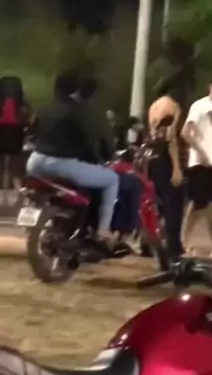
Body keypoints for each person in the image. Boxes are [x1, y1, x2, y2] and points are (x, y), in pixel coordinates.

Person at [27, 72, 119, 243]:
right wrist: (99, 160)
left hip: (34, 162)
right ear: (75, 89)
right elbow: (88, 142)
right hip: (62, 165)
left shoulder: (43, 109)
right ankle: (103, 230)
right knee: (112, 179)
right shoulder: (78, 111)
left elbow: (33, 135)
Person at [78, 77, 143, 240]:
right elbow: (108, 147)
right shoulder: (95, 116)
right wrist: (109, 155)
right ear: (95, 95)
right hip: (86, 168)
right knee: (133, 184)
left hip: (57, 166)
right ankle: (119, 231)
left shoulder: (69, 112)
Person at [181, 75, 212, 257]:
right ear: (210, 85)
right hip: (198, 161)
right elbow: (185, 133)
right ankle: (185, 241)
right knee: (197, 203)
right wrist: (200, 151)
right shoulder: (199, 105)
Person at [147, 73, 187, 259]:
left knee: (159, 203)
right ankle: (173, 247)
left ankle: (154, 244)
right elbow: (171, 137)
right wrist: (177, 167)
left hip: (153, 155)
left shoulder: (154, 106)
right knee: (174, 204)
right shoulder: (172, 106)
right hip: (166, 156)